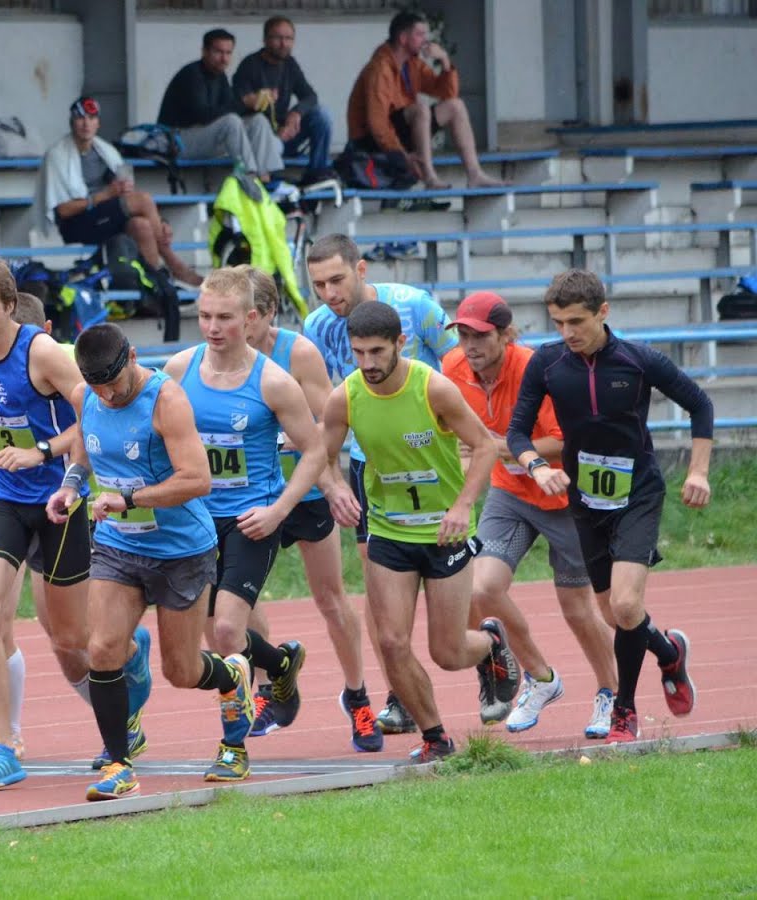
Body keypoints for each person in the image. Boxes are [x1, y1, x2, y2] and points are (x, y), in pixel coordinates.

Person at [0, 259, 151, 791]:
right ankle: (4, 748)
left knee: (72, 637)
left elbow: (95, 415)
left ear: (11, 307)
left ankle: (131, 653)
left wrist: (44, 454)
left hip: (60, 499)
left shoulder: (41, 353)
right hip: (7, 499)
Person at [48, 323, 253, 800]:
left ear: (134, 357)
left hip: (181, 550)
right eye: (97, 387)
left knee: (180, 671)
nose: (109, 396)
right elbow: (86, 443)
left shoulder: (166, 400)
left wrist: (130, 497)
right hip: (121, 546)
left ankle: (232, 677)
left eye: (114, 384)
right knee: (101, 649)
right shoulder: (89, 397)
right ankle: (118, 764)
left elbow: (198, 479)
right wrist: (72, 485)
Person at [508, 269, 708, 743]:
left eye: (576, 321)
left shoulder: (640, 362)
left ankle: (625, 710)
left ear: (603, 312)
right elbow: (517, 431)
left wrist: (698, 471)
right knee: (612, 615)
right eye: (558, 322)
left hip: (637, 493)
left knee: (624, 602)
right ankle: (669, 652)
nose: (567, 333)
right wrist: (537, 466)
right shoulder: (547, 364)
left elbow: (700, 404)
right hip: (585, 499)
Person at [321, 300, 519, 763]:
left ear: (399, 344)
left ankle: (490, 643)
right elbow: (321, 456)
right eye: (358, 353)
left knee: (448, 651)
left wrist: (462, 505)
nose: (367, 363)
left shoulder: (434, 390)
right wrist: (334, 491)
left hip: (444, 532)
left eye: (376, 352)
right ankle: (435, 738)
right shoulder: (345, 396)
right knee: (391, 642)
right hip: (389, 530)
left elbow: (485, 447)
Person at [163, 268, 322, 776]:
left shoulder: (273, 382)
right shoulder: (178, 369)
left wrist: (279, 510)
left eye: (225, 318)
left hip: (253, 518)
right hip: (193, 521)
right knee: (206, 639)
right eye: (205, 316)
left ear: (250, 318)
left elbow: (317, 450)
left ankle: (233, 748)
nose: (212, 327)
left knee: (227, 633)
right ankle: (278, 664)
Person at [441, 291, 619, 737]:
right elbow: (456, 439)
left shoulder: (539, 370)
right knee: (482, 589)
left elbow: (565, 440)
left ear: (506, 334)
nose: (470, 345)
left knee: (580, 609)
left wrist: (501, 447)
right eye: (463, 334)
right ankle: (541, 679)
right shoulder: (452, 370)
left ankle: (611, 694)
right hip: (510, 495)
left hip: (565, 496)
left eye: (480, 335)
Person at [301, 232, 457, 734]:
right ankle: (400, 694)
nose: (328, 292)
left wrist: (466, 430)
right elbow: (328, 405)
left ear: (361, 269)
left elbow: (457, 359)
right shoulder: (319, 326)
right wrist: (331, 476)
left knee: (454, 603)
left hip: (436, 461)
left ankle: (487, 649)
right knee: (378, 581)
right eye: (318, 283)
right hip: (371, 466)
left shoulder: (415, 306)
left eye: (337, 279)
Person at [239, 266, 379, 751]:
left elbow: (327, 428)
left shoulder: (297, 353)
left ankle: (358, 697)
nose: (237, 328)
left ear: (267, 315)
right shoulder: (215, 360)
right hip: (254, 497)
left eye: (248, 319)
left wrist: (335, 483)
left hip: (308, 492)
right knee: (241, 604)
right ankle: (272, 683)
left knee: (330, 598)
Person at [347, 11, 505, 189]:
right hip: (370, 141)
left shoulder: (412, 64)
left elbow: (448, 93)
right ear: (403, 38)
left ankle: (475, 174)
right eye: (419, 34)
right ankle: (429, 177)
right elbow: (378, 125)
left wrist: (444, 60)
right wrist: (401, 155)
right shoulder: (380, 68)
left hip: (397, 133)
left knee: (456, 106)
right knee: (420, 109)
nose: (425, 40)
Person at [35, 97, 170, 274]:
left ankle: (157, 284)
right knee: (143, 200)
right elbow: (63, 211)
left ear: (98, 123)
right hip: (76, 224)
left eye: (91, 118)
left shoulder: (106, 151)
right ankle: (171, 260)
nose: (86, 124)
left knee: (141, 225)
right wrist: (105, 195)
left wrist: (160, 222)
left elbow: (127, 194)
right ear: (72, 122)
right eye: (80, 118)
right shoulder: (57, 155)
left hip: (105, 219)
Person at [156, 29, 281, 181]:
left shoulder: (220, 76)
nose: (224, 59)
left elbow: (230, 108)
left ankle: (266, 177)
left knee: (258, 121)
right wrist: (244, 102)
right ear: (204, 52)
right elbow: (204, 115)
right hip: (177, 140)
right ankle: (250, 178)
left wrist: (258, 103)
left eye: (228, 53)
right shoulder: (191, 74)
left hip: (202, 137)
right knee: (231, 122)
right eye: (218, 52)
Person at [233, 16, 334, 183]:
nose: (283, 44)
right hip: (259, 142)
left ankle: (317, 174)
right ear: (265, 40)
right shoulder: (249, 65)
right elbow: (238, 104)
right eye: (278, 38)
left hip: (286, 135)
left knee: (321, 115)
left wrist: (296, 113)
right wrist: (257, 100)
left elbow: (310, 96)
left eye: (289, 39)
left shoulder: (289, 64)